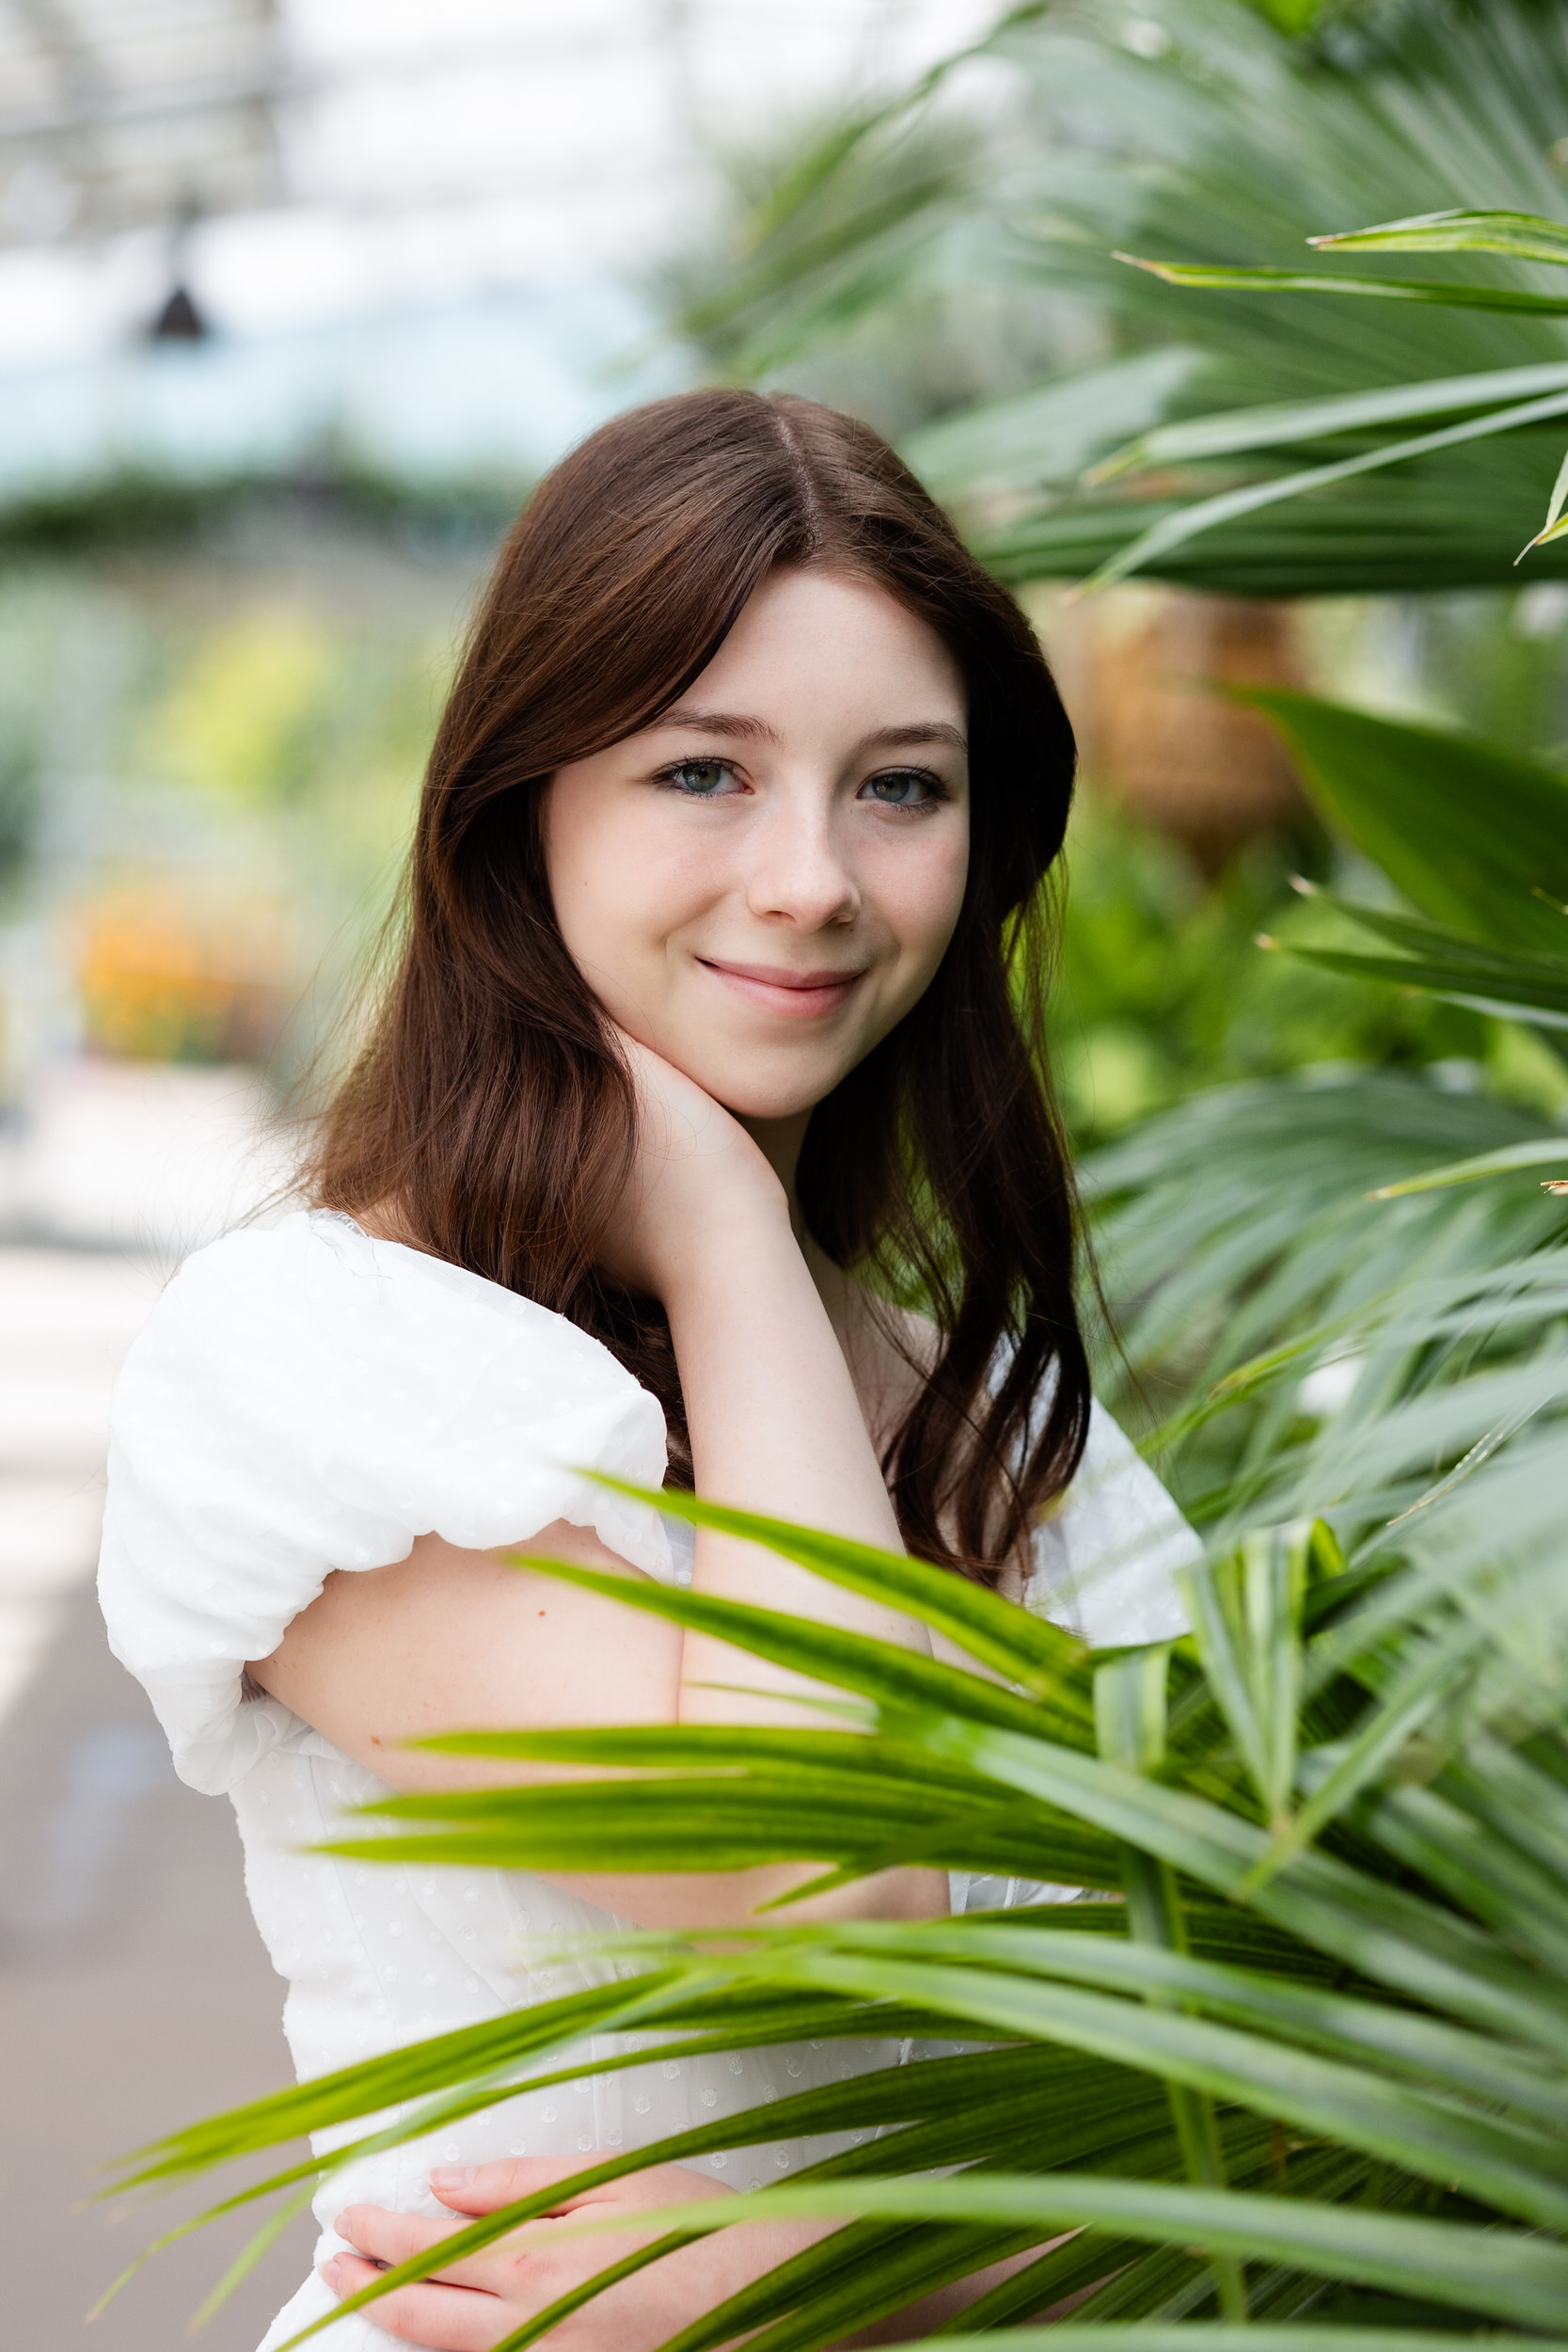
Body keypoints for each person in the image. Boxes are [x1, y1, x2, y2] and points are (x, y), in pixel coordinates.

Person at [98, 389, 1196, 2351]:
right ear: (522, 804)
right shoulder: (326, 1367)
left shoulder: (1043, 1453)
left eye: (902, 785)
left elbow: (1292, 2140)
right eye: (705, 771)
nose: (812, 879)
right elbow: (828, 1880)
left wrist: (855, 2270)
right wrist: (716, 1232)